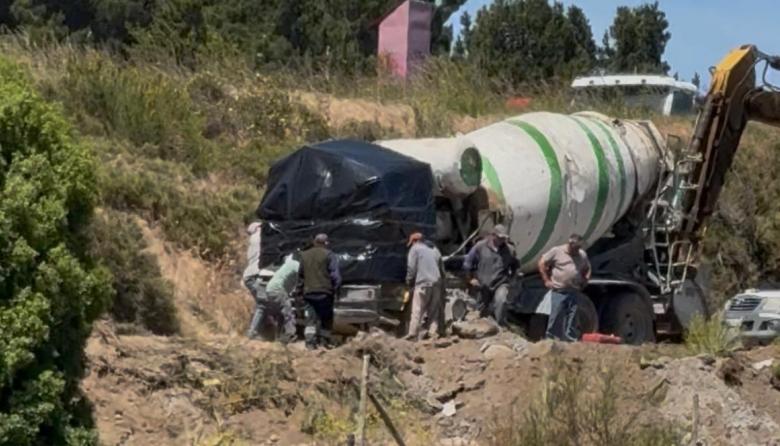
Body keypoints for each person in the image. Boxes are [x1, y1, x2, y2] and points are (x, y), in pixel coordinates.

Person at [538, 233, 591, 342]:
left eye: (579, 247)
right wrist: (546, 280)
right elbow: (542, 263)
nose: (578, 250)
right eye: (576, 248)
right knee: (556, 316)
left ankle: (570, 340)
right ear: (570, 245)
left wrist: (586, 279)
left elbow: (587, 267)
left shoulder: (582, 254)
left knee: (572, 317)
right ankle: (552, 340)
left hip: (574, 290)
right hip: (559, 290)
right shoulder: (557, 251)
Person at [463, 224, 519, 326]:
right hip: (483, 284)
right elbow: (468, 263)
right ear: (493, 235)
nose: (502, 240)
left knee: (501, 301)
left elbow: (515, 266)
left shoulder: (510, 250)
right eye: (500, 238)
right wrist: (470, 279)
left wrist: (512, 279)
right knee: (480, 310)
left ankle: (500, 326)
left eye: (504, 238)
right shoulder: (480, 246)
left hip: (501, 283)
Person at [298, 233, 341, 350]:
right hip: (325, 293)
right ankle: (324, 342)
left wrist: (300, 291)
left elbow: (300, 276)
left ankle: (310, 343)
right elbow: (335, 275)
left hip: (308, 293)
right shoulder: (329, 255)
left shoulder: (304, 255)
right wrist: (336, 289)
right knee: (326, 318)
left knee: (311, 319)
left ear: (314, 242)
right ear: (326, 243)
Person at [405, 232, 445, 341]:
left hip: (423, 283)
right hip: (436, 283)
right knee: (433, 311)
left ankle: (412, 334)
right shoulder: (433, 250)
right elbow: (441, 269)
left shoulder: (415, 249)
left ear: (414, 241)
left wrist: (409, 282)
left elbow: (411, 268)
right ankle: (433, 333)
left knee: (417, 309)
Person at [262, 253, 300, 343]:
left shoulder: (286, 266)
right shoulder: (295, 264)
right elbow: (304, 275)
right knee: (288, 312)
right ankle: (290, 335)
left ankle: (278, 336)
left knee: (281, 314)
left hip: (270, 289)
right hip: (278, 289)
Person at [243, 221, 267, 339]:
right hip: (253, 275)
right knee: (263, 303)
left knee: (262, 302)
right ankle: (252, 332)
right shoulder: (258, 238)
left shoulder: (252, 240)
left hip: (249, 275)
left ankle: (259, 331)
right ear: (257, 228)